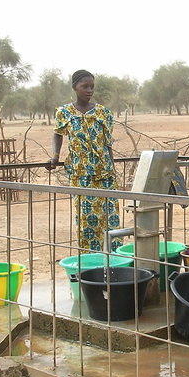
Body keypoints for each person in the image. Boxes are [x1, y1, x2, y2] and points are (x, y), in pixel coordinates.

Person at [48, 70, 121, 252]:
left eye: (92, 87)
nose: (89, 90)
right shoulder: (64, 112)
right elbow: (58, 134)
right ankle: (90, 262)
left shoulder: (103, 113)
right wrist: (55, 156)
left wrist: (112, 170)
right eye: (85, 86)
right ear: (75, 87)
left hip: (104, 173)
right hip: (81, 174)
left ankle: (113, 261)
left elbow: (107, 143)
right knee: (86, 220)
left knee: (110, 218)